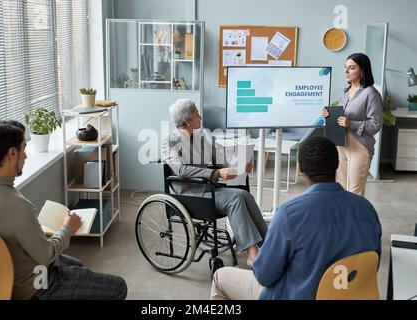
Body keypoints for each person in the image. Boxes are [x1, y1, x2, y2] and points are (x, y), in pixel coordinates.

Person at [210, 137, 382, 300]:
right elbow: (373, 264)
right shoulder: (367, 209)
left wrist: (255, 261)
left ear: (300, 168)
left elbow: (264, 276)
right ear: (337, 165)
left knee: (220, 278)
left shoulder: (289, 215)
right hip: (351, 294)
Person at [0, 120, 127, 300]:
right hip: (38, 285)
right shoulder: (17, 206)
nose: (26, 156)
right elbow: (47, 256)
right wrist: (68, 228)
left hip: (11, 277)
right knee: (118, 287)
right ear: (12, 153)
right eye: (23, 148)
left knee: (76, 264)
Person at [162, 98, 267, 266]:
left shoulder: (200, 137)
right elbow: (181, 170)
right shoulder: (170, 141)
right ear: (187, 120)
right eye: (197, 113)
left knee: (245, 195)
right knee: (236, 199)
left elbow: (219, 158)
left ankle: (268, 245)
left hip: (208, 189)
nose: (201, 117)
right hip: (190, 194)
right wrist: (216, 173)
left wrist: (238, 165)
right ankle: (253, 255)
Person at [323, 52, 383, 196]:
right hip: (341, 145)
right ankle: (343, 218)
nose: (346, 71)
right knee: (342, 189)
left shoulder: (371, 93)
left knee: (354, 193)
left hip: (360, 147)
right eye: (345, 67)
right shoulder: (345, 92)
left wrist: (351, 124)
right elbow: (343, 117)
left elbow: (376, 124)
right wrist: (330, 115)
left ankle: (355, 218)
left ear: (362, 70)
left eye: (351, 68)